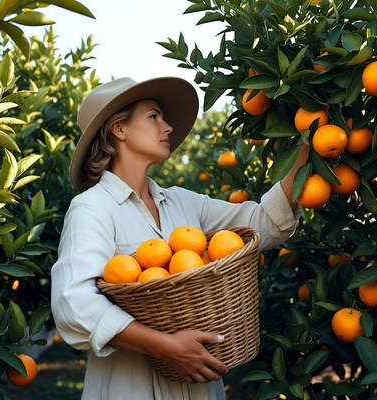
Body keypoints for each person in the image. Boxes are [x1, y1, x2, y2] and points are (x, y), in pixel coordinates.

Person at [51, 76, 310, 400]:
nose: (168, 126)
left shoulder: (183, 202)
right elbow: (72, 303)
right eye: (153, 116)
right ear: (119, 129)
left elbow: (263, 223)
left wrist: (308, 142)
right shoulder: (93, 208)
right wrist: (165, 346)